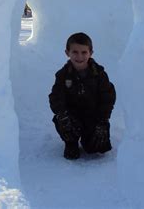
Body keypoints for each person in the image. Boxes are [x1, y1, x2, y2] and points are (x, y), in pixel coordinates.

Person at [49, 32, 116, 160]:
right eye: (75, 52)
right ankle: (71, 143)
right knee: (63, 122)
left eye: (84, 52)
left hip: (93, 116)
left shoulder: (99, 75)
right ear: (67, 53)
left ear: (91, 53)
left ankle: (90, 137)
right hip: (72, 116)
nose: (79, 56)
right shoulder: (62, 75)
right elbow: (56, 97)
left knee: (96, 149)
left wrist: (103, 120)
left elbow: (108, 97)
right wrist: (62, 114)